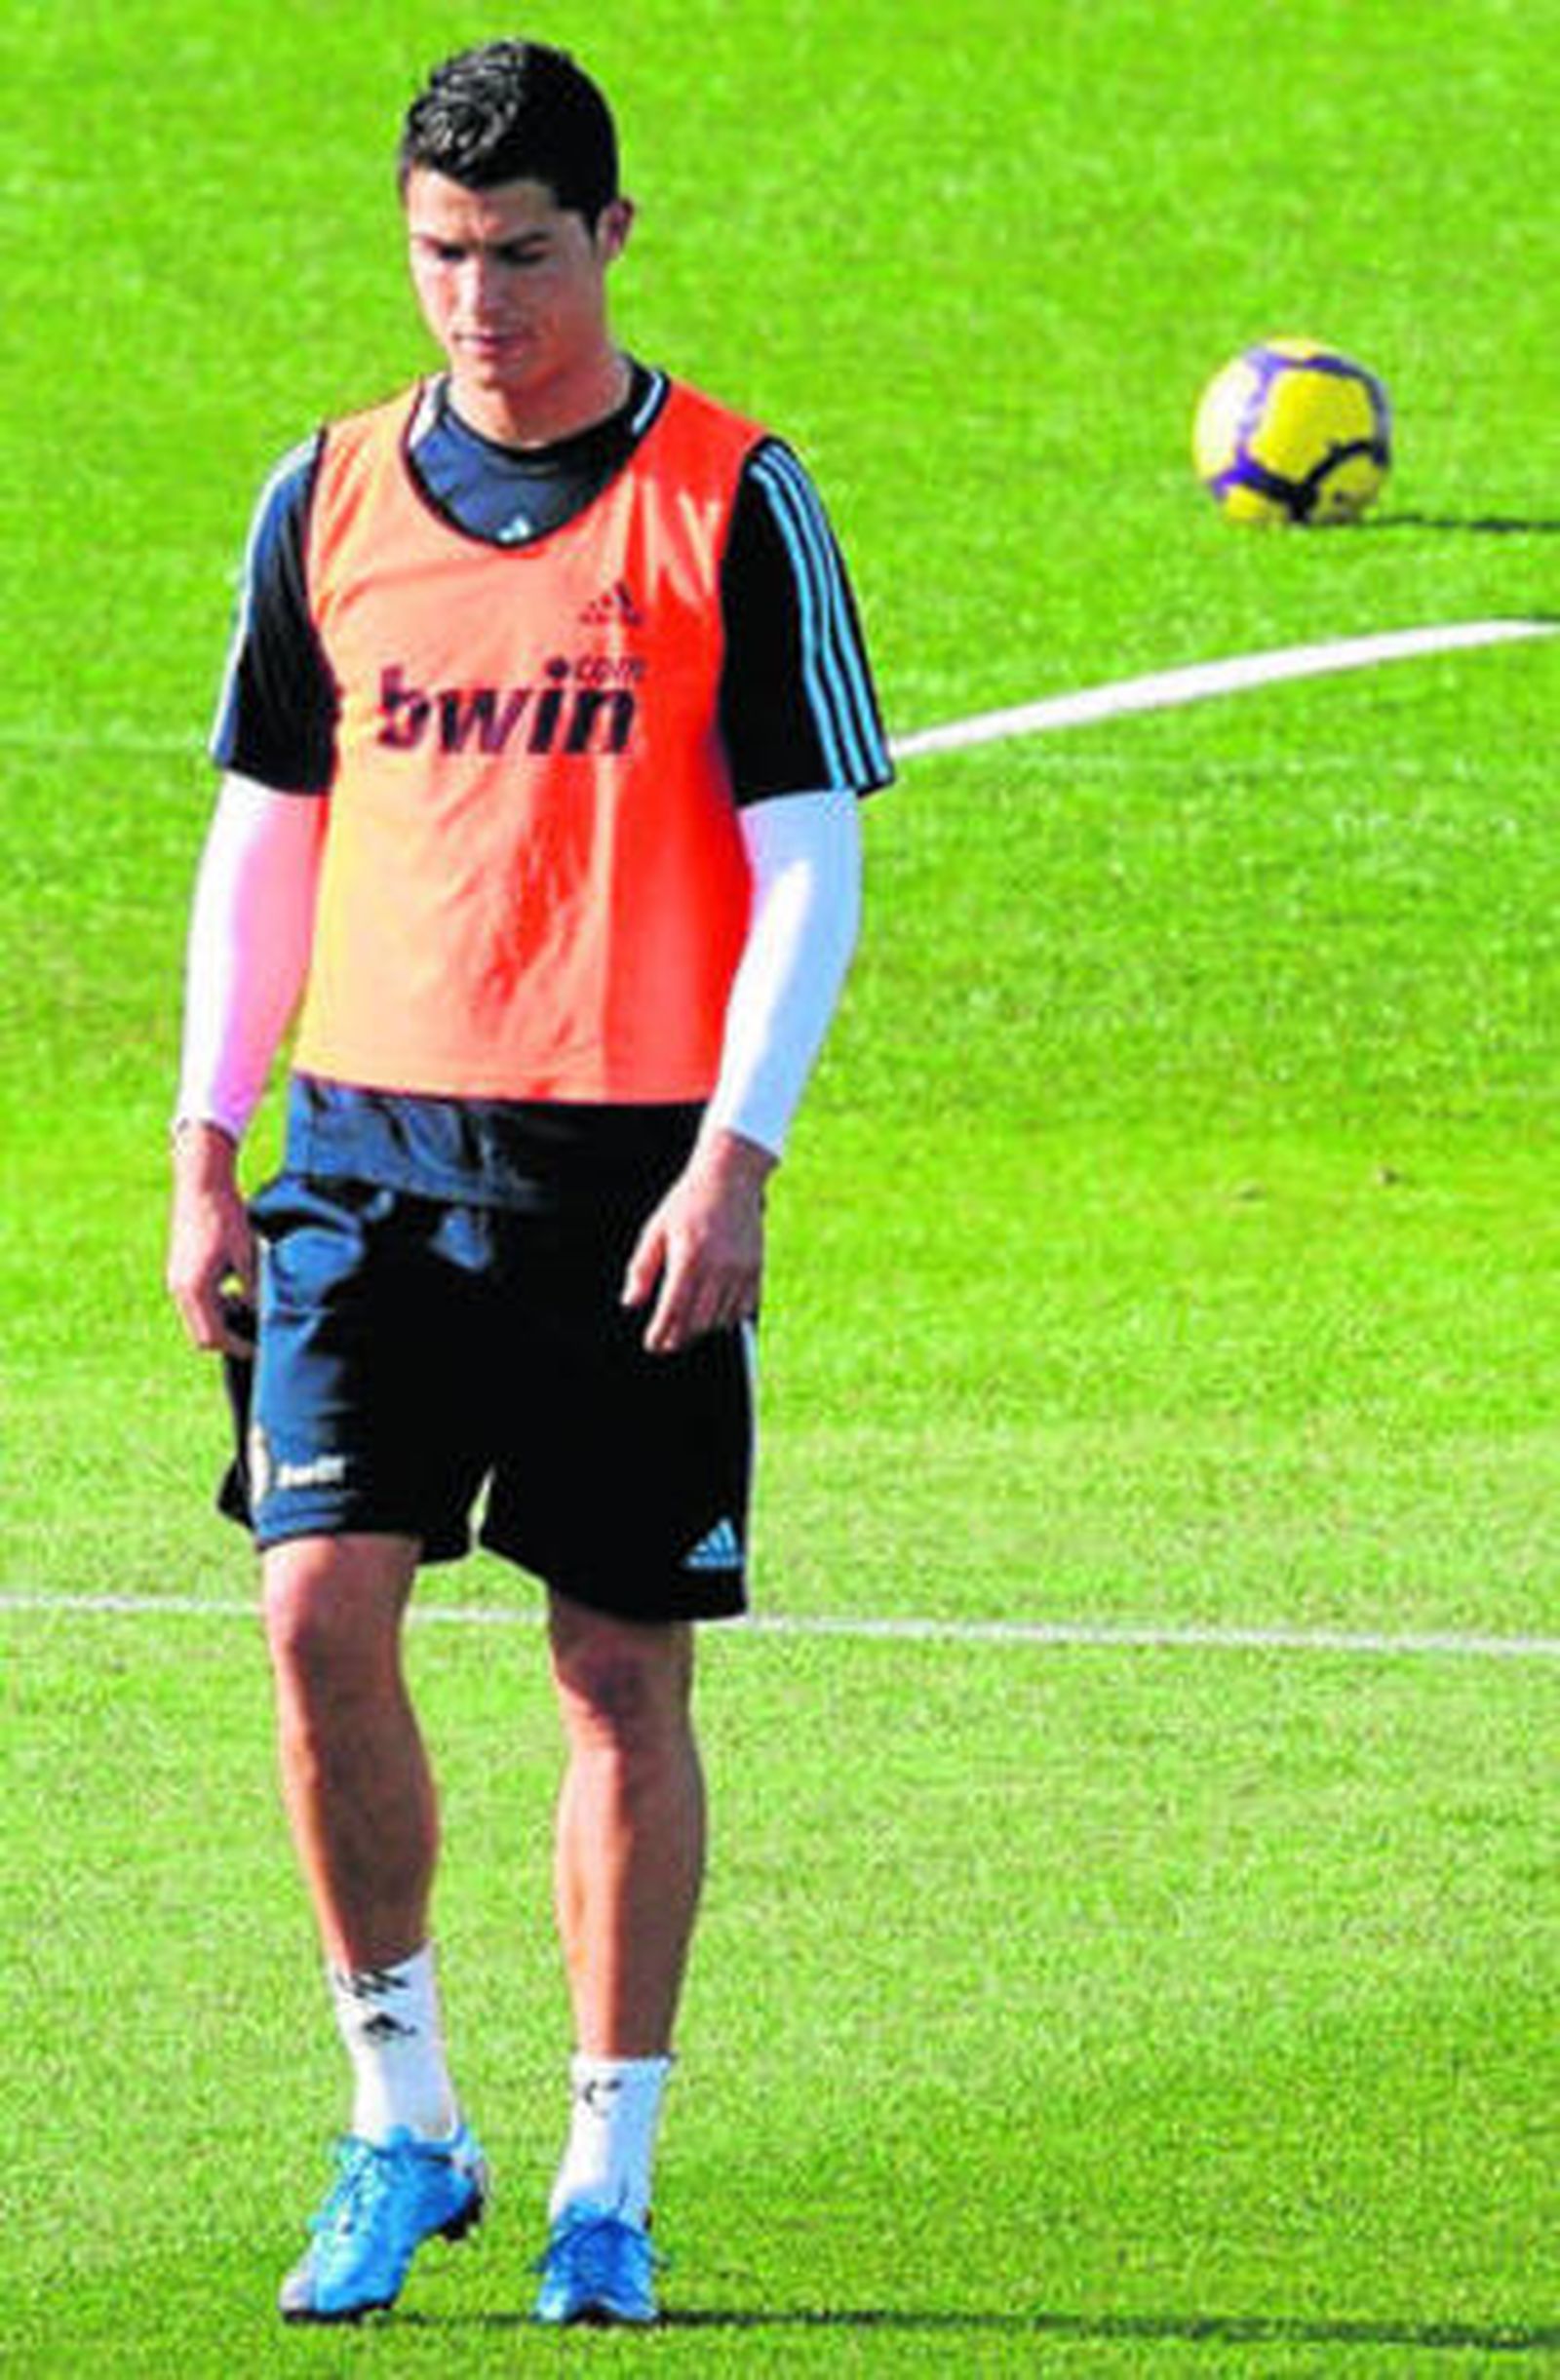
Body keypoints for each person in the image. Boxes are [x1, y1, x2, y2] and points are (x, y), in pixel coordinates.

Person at [165, 35, 890, 2332]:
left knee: (612, 1670)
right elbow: (264, 830)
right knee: (310, 1616)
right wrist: (207, 1145)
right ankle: (399, 2122)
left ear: (609, 236)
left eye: (517, 254)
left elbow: (811, 854)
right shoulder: (330, 495)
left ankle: (606, 2172)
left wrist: (736, 1154)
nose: (473, 302)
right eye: (436, 254)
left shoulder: (731, 496)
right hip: (362, 1163)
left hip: (620, 1187)